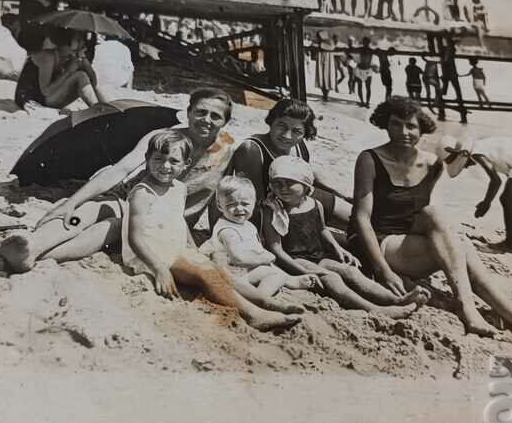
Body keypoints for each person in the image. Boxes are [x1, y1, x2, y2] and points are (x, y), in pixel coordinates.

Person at [349, 97, 512, 342]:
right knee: (460, 245)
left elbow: (423, 216)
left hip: (409, 240)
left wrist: (450, 237)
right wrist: (383, 271)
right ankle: (489, 314)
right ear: (385, 125)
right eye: (396, 124)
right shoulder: (370, 159)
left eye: (411, 126)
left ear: (422, 130)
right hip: (378, 241)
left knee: (444, 225)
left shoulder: (432, 163)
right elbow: (361, 218)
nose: (404, 132)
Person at [0, 88, 239, 278]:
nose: (206, 120)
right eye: (200, 112)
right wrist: (71, 202)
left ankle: (36, 255)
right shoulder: (163, 137)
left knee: (112, 226)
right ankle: (31, 247)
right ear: (189, 112)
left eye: (215, 116)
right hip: (130, 199)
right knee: (83, 211)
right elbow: (119, 169)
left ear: (225, 122)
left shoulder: (228, 153)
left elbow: (221, 199)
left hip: (164, 222)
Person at [123, 132, 301, 331]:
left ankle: (264, 301)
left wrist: (192, 248)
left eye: (174, 161)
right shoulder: (142, 193)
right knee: (205, 273)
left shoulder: (179, 188)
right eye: (158, 159)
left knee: (220, 270)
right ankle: (254, 315)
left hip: (174, 247)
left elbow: (178, 221)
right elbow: (135, 237)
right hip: (150, 254)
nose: (165, 166)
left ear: (185, 164)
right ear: (147, 159)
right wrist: (159, 269)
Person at [261, 157, 428, 317]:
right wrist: (303, 271)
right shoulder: (273, 210)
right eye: (277, 183)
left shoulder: (315, 204)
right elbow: (276, 249)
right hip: (295, 260)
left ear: (306, 185)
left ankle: (396, 300)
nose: (282, 188)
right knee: (332, 277)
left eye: (290, 183)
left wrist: (338, 248)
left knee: (350, 271)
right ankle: (374, 308)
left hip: (318, 256)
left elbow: (322, 230)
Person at [226, 98, 352, 230]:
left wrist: (338, 193)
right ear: (271, 122)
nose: (287, 136)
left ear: (305, 133)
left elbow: (306, 176)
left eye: (296, 131)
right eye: (282, 126)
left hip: (301, 199)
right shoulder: (252, 149)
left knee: (361, 219)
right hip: (274, 212)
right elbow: (253, 202)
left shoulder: (298, 145)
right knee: (351, 240)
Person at [200, 176, 317, 296]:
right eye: (231, 204)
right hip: (231, 274)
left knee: (270, 268)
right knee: (273, 274)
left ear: (254, 203)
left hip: (245, 271)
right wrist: (266, 257)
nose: (239, 208)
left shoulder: (248, 226)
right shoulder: (227, 231)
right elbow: (239, 259)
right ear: (220, 206)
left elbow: (257, 251)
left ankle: (290, 280)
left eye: (245, 204)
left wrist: (265, 257)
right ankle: (260, 297)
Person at [441, 135, 512, 263]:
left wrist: (486, 203)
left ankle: (511, 245)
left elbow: (495, 181)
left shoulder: (476, 154)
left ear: (463, 155)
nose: (466, 167)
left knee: (506, 200)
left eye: (464, 165)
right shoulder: (483, 144)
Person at [14, 27, 109, 110]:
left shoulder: (69, 56)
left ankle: (108, 108)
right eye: (78, 39)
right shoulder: (48, 56)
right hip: (34, 98)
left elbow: (94, 82)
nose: (83, 41)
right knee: (81, 76)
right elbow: (45, 91)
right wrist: (68, 72)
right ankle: (97, 110)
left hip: (50, 96)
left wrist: (84, 61)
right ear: (66, 41)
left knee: (83, 76)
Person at [355, 39, 375, 108]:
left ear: (369, 43)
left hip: (368, 70)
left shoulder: (371, 50)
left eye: (367, 42)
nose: (365, 44)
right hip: (360, 70)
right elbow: (351, 50)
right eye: (364, 42)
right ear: (363, 43)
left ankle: (367, 102)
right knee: (360, 87)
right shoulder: (360, 49)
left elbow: (380, 52)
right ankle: (362, 102)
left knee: (368, 87)